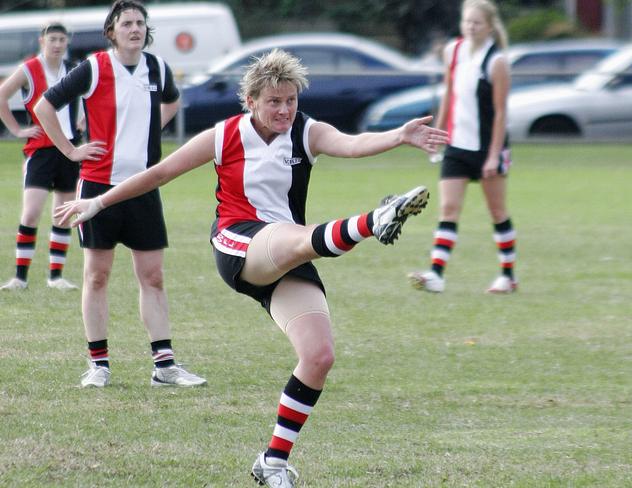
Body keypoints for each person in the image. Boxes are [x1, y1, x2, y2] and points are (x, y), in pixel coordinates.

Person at [54, 49, 448, 486]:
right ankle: (373, 221)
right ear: (251, 101)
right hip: (239, 242)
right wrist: (98, 201)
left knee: (318, 356)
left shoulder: (306, 131)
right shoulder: (224, 135)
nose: (284, 109)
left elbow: (352, 144)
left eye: (291, 100)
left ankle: (272, 462)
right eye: (274, 101)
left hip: (289, 251)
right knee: (294, 237)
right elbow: (160, 173)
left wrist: (399, 135)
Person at [34, 0, 206, 389]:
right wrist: (70, 150)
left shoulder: (158, 68)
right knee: (97, 275)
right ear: (111, 31)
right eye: (126, 23)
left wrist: (149, 129)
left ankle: (164, 367)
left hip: (143, 187)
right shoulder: (94, 67)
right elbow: (44, 106)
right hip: (97, 185)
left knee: (153, 276)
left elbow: (173, 100)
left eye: (140, 23)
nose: (135, 29)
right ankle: (99, 365)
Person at [409, 0, 517, 294]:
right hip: (457, 146)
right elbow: (449, 96)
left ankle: (508, 275)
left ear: (490, 27)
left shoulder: (496, 62)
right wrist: (437, 135)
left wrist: (494, 155)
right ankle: (436, 275)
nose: (470, 27)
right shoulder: (453, 51)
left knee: (497, 211)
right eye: (467, 22)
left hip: (487, 148)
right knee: (448, 208)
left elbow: (500, 113)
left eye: (477, 23)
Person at [0, 23, 83, 291]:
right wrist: (16, 129)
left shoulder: (75, 69)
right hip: (40, 150)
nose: (57, 44)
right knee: (32, 211)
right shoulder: (29, 69)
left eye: (62, 39)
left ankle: (55, 276)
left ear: (67, 42)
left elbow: (91, 98)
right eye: (52, 39)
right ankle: (20, 277)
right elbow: (2, 95)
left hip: (69, 149)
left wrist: (83, 120)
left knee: (62, 214)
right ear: (42, 41)